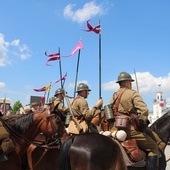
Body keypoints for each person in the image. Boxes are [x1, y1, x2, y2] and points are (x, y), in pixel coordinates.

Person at [110, 71, 165, 170]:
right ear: (127, 82)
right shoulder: (132, 93)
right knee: (153, 147)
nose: (130, 84)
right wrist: (142, 123)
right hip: (129, 129)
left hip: (115, 128)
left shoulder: (114, 95)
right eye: (130, 82)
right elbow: (144, 110)